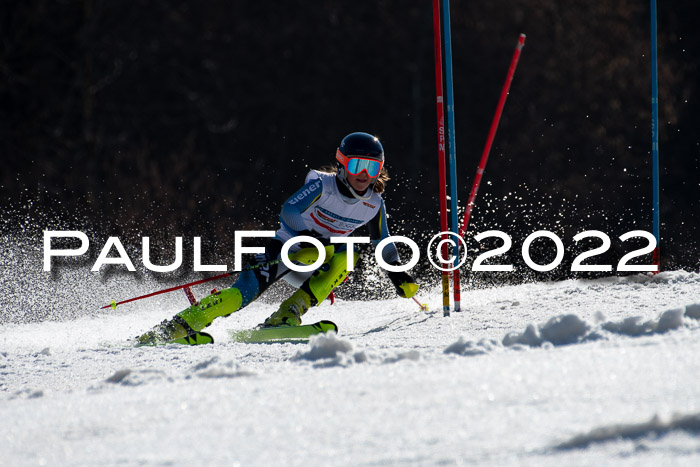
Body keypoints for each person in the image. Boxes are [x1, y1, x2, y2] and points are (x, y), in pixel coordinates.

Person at [137, 132, 419, 345]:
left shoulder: (374, 203)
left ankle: (286, 316)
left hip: (319, 259)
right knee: (241, 295)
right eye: (357, 165)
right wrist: (309, 237)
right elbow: (289, 210)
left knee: (349, 254)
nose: (363, 175)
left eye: (371, 168)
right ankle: (174, 328)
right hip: (286, 249)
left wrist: (399, 276)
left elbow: (383, 241)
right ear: (343, 162)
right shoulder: (323, 185)